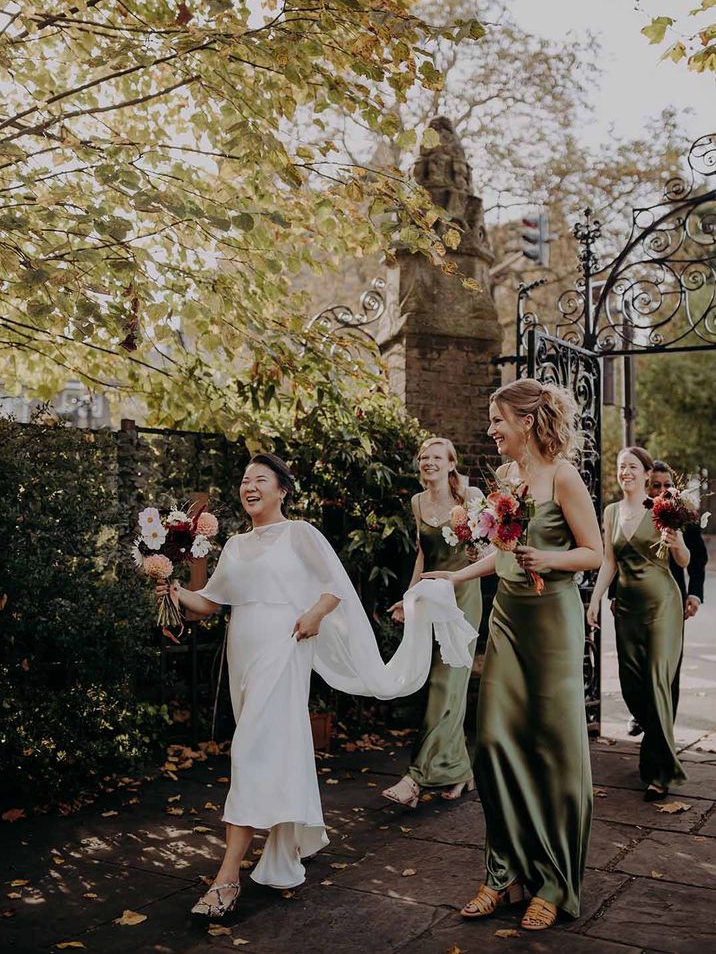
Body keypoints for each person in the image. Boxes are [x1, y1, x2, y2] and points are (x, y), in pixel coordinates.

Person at [156, 453, 478, 919]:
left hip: (285, 649)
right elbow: (208, 603)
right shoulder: (235, 546)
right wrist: (171, 588)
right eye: (245, 480)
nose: (250, 487)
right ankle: (281, 848)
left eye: (260, 480)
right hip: (243, 654)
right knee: (267, 751)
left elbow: (335, 586)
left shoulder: (300, 533)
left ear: (282, 490)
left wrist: (314, 614)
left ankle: (226, 878)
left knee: (248, 753)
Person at [424, 379, 602, 931]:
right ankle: (503, 873)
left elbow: (594, 552)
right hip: (507, 619)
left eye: (498, 420)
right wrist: (456, 573)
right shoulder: (505, 479)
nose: (491, 430)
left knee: (552, 747)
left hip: (552, 623)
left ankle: (553, 881)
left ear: (526, 421)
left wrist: (548, 560)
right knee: (495, 741)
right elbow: (500, 554)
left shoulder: (564, 476)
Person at [382, 437, 482, 808]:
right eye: (424, 457)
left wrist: (470, 560)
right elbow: (424, 553)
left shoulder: (470, 496)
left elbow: (485, 550)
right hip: (431, 595)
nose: (429, 462)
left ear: (451, 463)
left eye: (437, 457)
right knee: (441, 684)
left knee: (447, 681)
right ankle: (460, 770)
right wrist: (409, 598)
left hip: (463, 597)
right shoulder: (417, 502)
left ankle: (417, 778)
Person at [588, 448, 689, 800]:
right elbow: (608, 561)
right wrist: (595, 599)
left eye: (632, 466)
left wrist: (676, 544)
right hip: (627, 608)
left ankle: (659, 772)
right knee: (633, 684)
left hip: (663, 604)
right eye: (621, 467)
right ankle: (653, 730)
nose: (625, 472)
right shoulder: (611, 512)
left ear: (647, 474)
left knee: (657, 680)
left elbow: (684, 558)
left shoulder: (663, 508)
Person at [622, 459, 709, 734]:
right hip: (636, 600)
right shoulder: (634, 514)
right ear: (647, 486)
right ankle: (642, 713)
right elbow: (620, 555)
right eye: (655, 485)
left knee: (668, 666)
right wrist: (614, 594)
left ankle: (663, 731)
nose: (661, 490)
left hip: (673, 600)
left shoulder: (685, 516)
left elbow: (697, 562)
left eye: (667, 485)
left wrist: (694, 595)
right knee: (636, 666)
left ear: (674, 487)